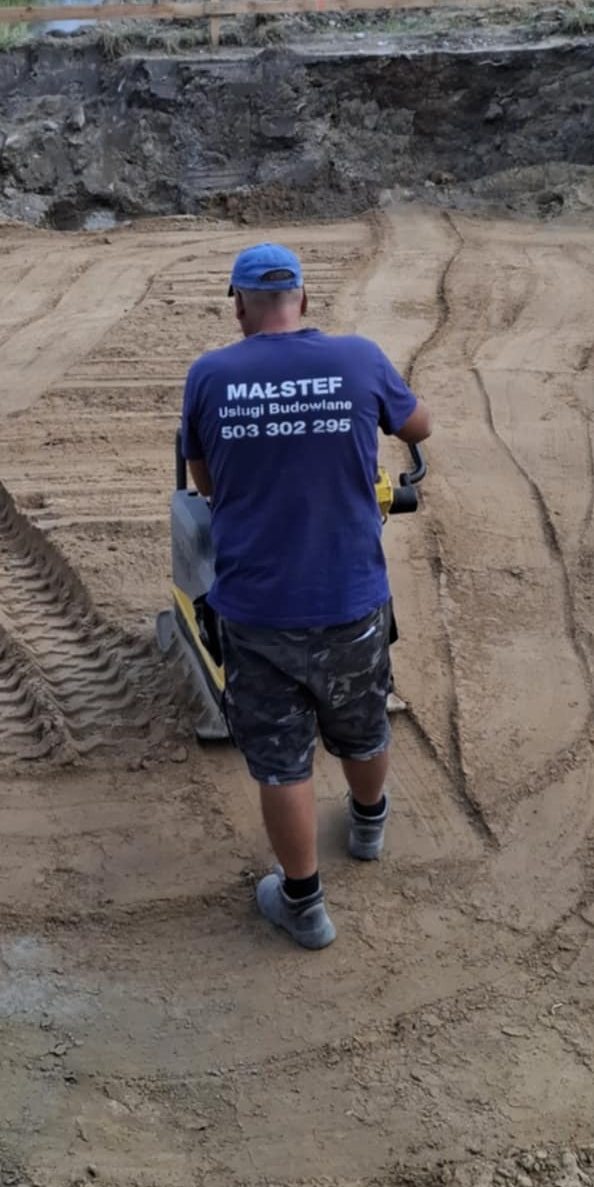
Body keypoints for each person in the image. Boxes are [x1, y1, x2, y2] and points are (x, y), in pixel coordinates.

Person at [179, 243, 433, 950]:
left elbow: (204, 482)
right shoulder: (359, 357)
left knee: (282, 761)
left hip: (258, 611)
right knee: (362, 720)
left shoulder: (210, 375)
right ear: (305, 300)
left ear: (239, 305)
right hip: (352, 599)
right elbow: (420, 428)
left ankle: (304, 906)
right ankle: (369, 823)